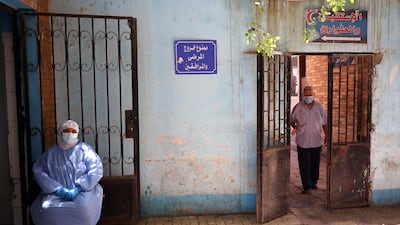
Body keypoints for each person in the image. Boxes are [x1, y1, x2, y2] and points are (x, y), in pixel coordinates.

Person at [30, 120, 103, 225]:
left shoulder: (85, 150)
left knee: (83, 208)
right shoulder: (51, 153)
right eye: (67, 131)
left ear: (77, 133)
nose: (70, 134)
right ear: (60, 133)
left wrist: (79, 187)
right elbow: (38, 171)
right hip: (56, 194)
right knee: (48, 208)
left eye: (73, 131)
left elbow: (96, 169)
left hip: (83, 192)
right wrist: (57, 189)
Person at [290, 86, 327, 194]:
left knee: (315, 164)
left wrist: (327, 136)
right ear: (303, 95)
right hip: (303, 141)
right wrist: (295, 126)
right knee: (304, 165)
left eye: (310, 95)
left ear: (313, 94)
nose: (308, 97)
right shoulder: (298, 107)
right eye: (306, 95)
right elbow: (292, 120)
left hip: (316, 141)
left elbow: (324, 122)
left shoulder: (319, 107)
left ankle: (313, 183)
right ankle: (306, 186)